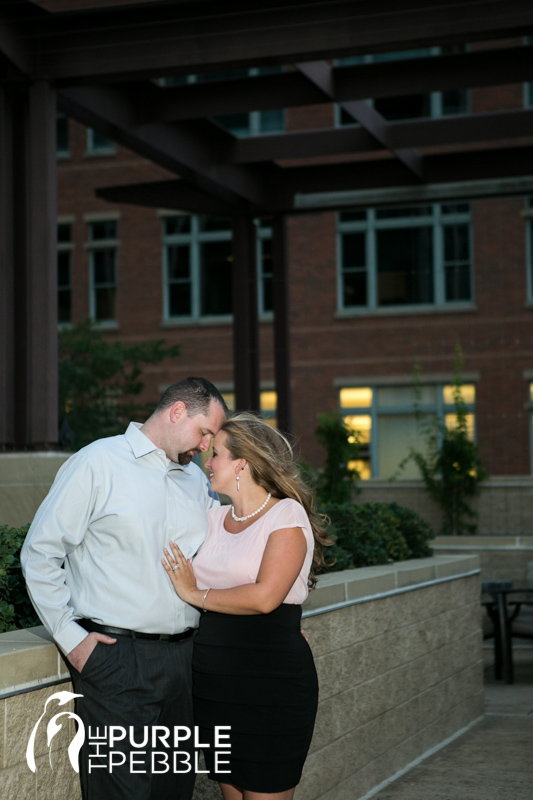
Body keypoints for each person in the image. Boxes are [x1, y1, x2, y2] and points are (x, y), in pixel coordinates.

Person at [21, 377, 227, 800]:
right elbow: (40, 553)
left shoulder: (195, 483)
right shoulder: (97, 463)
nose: (206, 446)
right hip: (117, 663)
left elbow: (224, 558)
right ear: (176, 412)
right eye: (204, 431)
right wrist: (72, 640)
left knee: (174, 791)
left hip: (185, 664)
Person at [162, 412, 330, 800]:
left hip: (270, 683)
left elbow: (265, 596)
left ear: (242, 463)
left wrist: (196, 595)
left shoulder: (286, 514)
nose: (208, 461)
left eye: (216, 453)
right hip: (214, 685)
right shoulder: (212, 519)